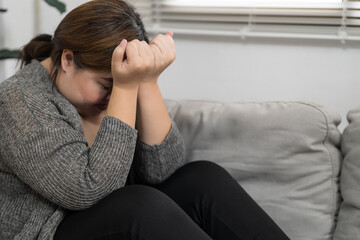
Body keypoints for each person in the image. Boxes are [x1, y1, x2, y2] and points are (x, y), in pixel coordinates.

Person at [0, 0, 290, 239]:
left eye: (121, 84)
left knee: (203, 178)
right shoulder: (19, 102)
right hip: (46, 232)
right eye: (106, 84)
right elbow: (88, 191)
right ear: (67, 60)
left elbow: (164, 172)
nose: (113, 95)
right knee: (139, 205)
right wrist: (125, 88)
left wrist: (148, 82)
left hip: (103, 220)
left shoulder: (120, 82)